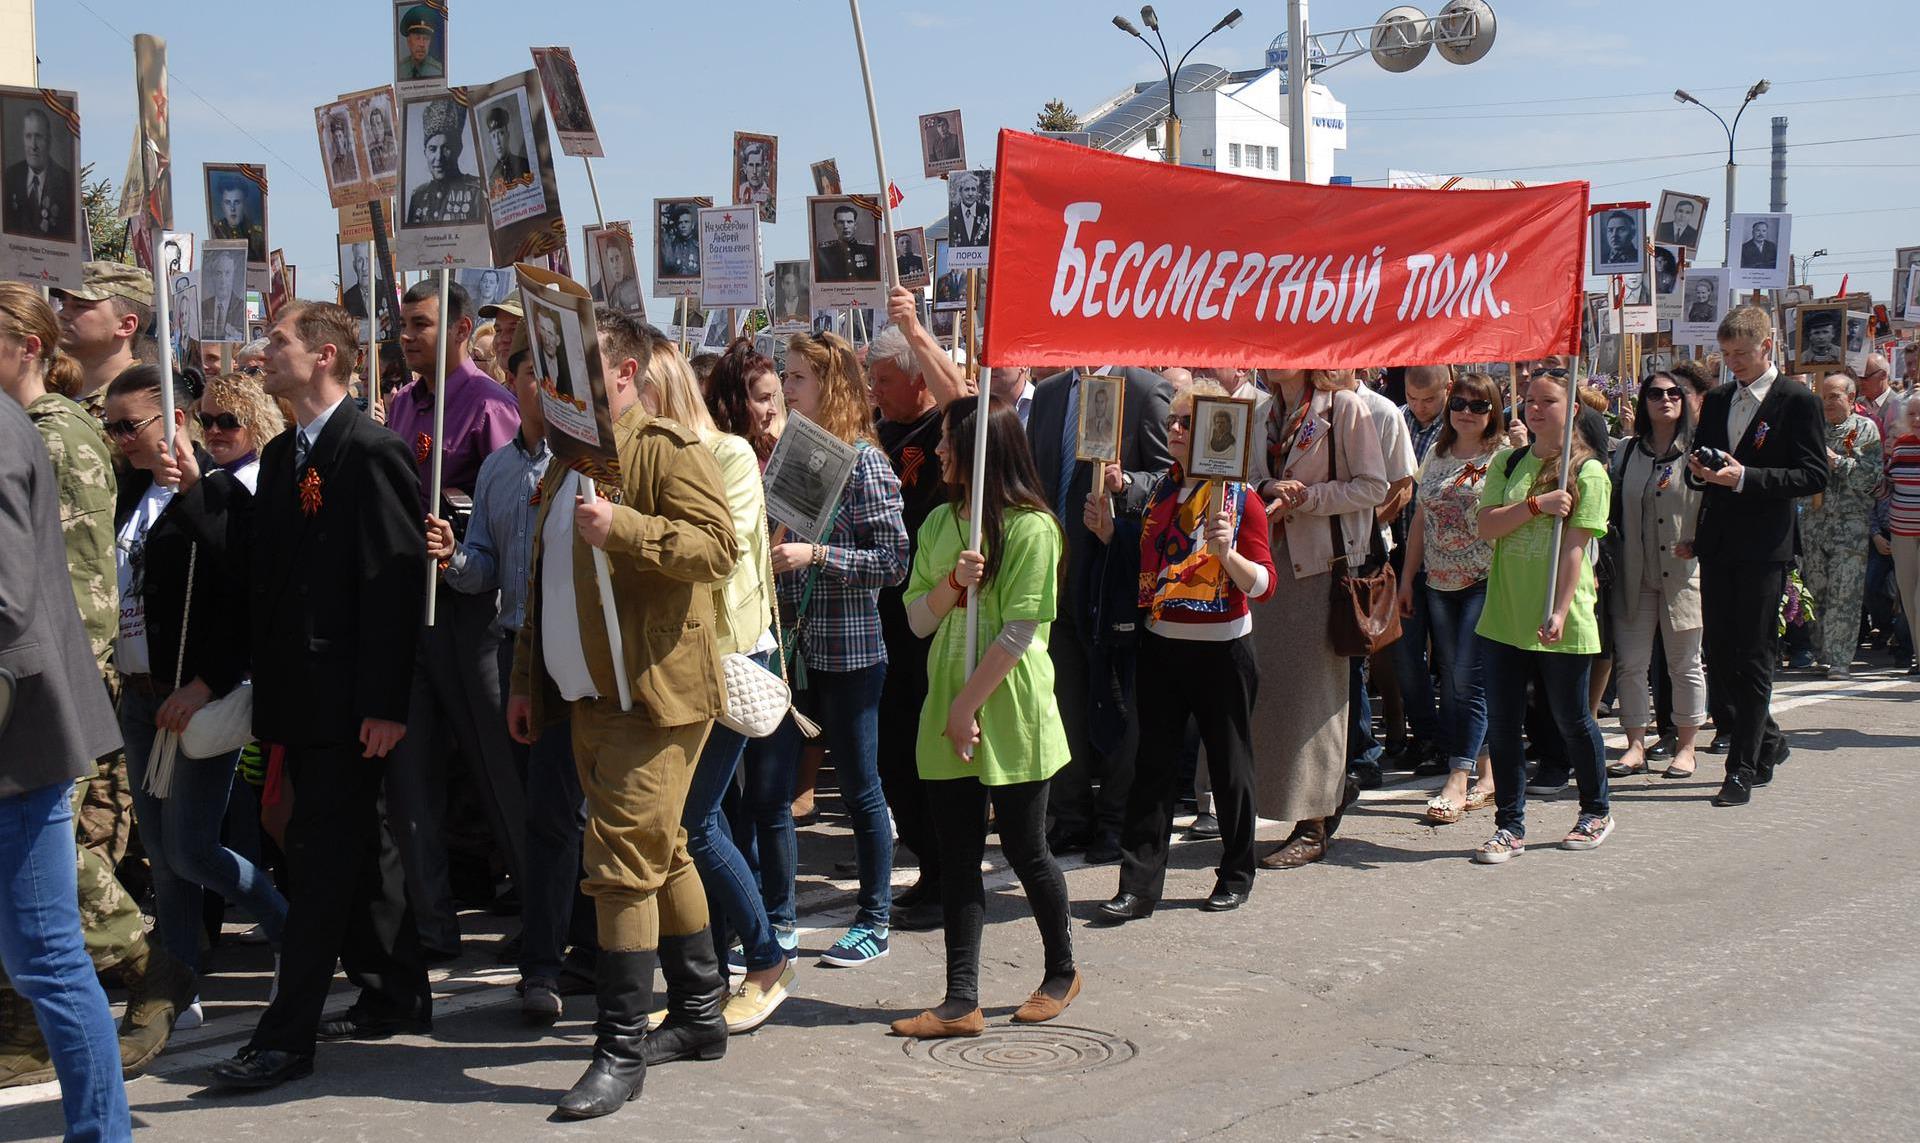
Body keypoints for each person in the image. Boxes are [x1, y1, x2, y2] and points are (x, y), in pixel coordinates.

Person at [507, 307, 738, 1119]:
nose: (556, 383)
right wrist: (528, 683)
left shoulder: (661, 449)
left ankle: (619, 1046)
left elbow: (717, 547)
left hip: (653, 694)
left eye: (575, 368)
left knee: (618, 868)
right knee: (662, 852)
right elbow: (544, 582)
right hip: (586, 697)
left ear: (625, 375)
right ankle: (703, 1012)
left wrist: (625, 528)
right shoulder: (563, 459)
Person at [209, 301, 429, 1091]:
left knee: (320, 859)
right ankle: (396, 992)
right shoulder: (278, 457)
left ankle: (285, 1036)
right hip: (294, 696)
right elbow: (266, 579)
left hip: (348, 700)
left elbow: (394, 584)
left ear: (326, 355)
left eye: (277, 340)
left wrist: (386, 703)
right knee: (360, 848)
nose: (261, 351)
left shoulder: (372, 451)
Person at [0, 285, 193, 1090]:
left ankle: (151, 962)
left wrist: (67, 682)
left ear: (28, 348)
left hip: (48, 676)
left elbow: (71, 582)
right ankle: (26, 1022)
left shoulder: (55, 436)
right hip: (44, 672)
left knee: (52, 857)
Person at [105, 364, 289, 1016]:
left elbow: (249, 600)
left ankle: (290, 929)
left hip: (196, 698)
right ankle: (177, 986)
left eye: (131, 425)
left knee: (192, 847)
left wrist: (205, 682)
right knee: (162, 852)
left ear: (172, 421)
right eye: (112, 426)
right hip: (140, 693)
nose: (120, 438)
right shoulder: (125, 489)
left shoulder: (221, 495)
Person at [893, 399, 1079, 1038]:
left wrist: (966, 707)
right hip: (948, 704)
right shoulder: (943, 522)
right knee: (959, 853)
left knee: (1028, 850)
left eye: (948, 441)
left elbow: (1022, 631)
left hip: (1009, 705)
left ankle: (1061, 970)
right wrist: (952, 584)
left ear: (979, 450)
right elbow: (917, 620)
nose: (939, 452)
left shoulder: (1033, 528)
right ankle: (960, 999)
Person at [427, 324, 585, 1023]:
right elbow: (484, 569)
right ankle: (549, 932)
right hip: (519, 649)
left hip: (580, 654)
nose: (540, 386)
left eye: (552, 374)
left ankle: (583, 938)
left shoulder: (586, 464)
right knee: (534, 803)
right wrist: (452, 558)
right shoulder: (495, 471)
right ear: (515, 383)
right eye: (529, 373)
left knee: (579, 806)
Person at [1093, 379, 1276, 922]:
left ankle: (1237, 872)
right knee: (1152, 769)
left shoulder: (1241, 499)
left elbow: (1264, 583)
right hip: (1162, 644)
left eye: (1186, 424)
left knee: (1230, 766)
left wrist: (1227, 554)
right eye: (1172, 422)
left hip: (1222, 651)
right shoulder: (1160, 492)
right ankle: (1138, 885)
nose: (1173, 431)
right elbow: (1148, 560)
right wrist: (1108, 531)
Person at [0, 383, 129, 1140]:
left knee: (47, 960)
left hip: (17, 737)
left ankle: (102, 1133)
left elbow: (8, 596)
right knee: (42, 960)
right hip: (26, 728)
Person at [383, 279, 524, 959]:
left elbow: (509, 507)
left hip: (471, 612)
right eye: (404, 325)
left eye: (422, 324)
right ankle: (434, 925)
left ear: (463, 329)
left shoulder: (489, 406)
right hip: (411, 609)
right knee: (411, 777)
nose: (408, 336)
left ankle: (539, 912)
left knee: (497, 770)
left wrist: (459, 533)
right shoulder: (400, 406)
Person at [759, 332, 908, 968]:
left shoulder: (866, 461)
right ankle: (779, 920)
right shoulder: (792, 452)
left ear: (830, 386)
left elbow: (894, 560)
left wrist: (817, 554)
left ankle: (873, 917)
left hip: (849, 652)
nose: (786, 389)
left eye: (795, 378)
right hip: (793, 647)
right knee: (771, 792)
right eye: (785, 376)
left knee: (859, 787)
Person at [1026, 364, 1172, 862]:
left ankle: (1116, 820)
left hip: (1112, 572)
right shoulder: (1047, 394)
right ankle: (1071, 817)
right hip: (1056, 572)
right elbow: (1033, 478)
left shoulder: (1145, 390)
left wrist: (1125, 482)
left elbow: (1169, 479)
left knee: (1116, 701)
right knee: (1063, 696)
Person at [1683, 306, 1828, 807]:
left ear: (1768, 345)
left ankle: (1742, 765)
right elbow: (1699, 459)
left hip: (1766, 546)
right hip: (1719, 541)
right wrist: (1699, 470)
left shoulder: (1797, 400)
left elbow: (1812, 475)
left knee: (1755, 653)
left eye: (1742, 354)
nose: (1734, 363)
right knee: (1721, 654)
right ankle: (1767, 738)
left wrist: (1746, 477)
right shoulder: (1720, 398)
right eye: (1726, 355)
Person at [1469, 368, 1614, 863]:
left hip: (1561, 618)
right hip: (1504, 615)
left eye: (1546, 401)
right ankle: (1509, 825)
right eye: (1528, 400)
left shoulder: (1589, 472)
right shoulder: (1508, 464)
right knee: (1505, 724)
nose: (1533, 409)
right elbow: (1487, 526)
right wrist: (1536, 505)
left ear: (1570, 407)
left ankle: (1595, 810)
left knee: (1572, 718)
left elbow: (1576, 548)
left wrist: (1557, 610)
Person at [1251, 370, 1388, 867]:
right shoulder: (1265, 413)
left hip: (1322, 566)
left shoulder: (1344, 407)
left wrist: (1309, 498)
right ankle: (1301, 804)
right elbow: (1247, 478)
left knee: (1317, 699)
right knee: (1279, 695)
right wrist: (1268, 484)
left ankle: (1313, 825)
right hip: (1271, 563)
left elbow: (1374, 486)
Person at [865, 305, 968, 930]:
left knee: (929, 749)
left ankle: (949, 877)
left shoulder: (948, 430)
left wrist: (915, 332)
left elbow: (965, 400)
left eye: (883, 379)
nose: (873, 391)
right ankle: (929, 862)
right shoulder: (878, 434)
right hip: (886, 612)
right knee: (893, 751)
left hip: (937, 609)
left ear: (918, 380)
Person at [1395, 372, 1502, 823]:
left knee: (1466, 679)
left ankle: (1458, 778)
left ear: (1493, 411)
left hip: (1485, 579)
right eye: (1460, 403)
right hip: (1438, 582)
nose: (1466, 412)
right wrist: (1406, 579)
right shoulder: (1436, 455)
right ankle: (1487, 770)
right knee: (1456, 682)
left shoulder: (1505, 457)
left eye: (1478, 406)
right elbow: (1419, 519)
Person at [1606, 372, 1707, 781]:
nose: (1665, 400)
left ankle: (1686, 746)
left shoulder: (1699, 451)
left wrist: (1700, 543)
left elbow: (1714, 507)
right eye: (1655, 394)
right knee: (1631, 664)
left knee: (1685, 664)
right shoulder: (1628, 451)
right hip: (1635, 572)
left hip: (1683, 574)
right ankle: (1634, 743)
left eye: (1673, 393)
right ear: (1644, 402)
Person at [1801, 373, 1882, 680]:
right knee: (1817, 589)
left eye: (1835, 396)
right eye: (1824, 396)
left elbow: (1871, 478)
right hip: (1814, 522)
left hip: (1850, 526)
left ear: (1851, 399)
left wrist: (1838, 462)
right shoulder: (1812, 429)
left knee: (1844, 593)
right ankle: (1822, 652)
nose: (1828, 403)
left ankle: (1840, 660)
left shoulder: (1865, 430)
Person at [53, 262, 153, 422]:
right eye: (64, 304)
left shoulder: (151, 401)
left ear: (126, 325)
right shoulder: (49, 391)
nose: (63, 314)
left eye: (80, 306)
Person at [1882, 393, 1920, 674]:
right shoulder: (1902, 447)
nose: (1917, 420)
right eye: (1912, 415)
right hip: (1902, 532)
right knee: (1908, 599)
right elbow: (1887, 487)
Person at [704, 338, 782, 467]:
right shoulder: (703, 455)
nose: (774, 410)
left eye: (773, 396)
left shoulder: (775, 453)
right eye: (763, 399)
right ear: (736, 400)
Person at [406, 99, 484, 225]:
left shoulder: (476, 192)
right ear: (425, 152)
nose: (439, 157)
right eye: (432, 149)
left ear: (458, 149)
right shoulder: (418, 197)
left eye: (446, 148)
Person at [3, 105, 74, 241]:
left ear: (49, 140)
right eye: (28, 136)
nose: (33, 145)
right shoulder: (10, 177)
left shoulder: (66, 182)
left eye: (39, 136)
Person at [814, 203, 877, 283]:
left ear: (855, 225)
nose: (845, 226)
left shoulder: (869, 249)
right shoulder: (823, 252)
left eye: (849, 222)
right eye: (841, 222)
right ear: (835, 225)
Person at [210, 183, 265, 264]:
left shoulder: (257, 234)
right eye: (228, 203)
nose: (232, 208)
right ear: (222, 206)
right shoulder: (216, 230)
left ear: (244, 204)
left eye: (237, 202)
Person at [485, 104, 531, 187]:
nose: (497, 141)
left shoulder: (525, 165)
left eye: (501, 133)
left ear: (508, 135)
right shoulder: (492, 179)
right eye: (493, 136)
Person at [398, 5, 443, 79]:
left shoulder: (439, 71)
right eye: (417, 38)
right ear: (409, 41)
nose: (422, 44)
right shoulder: (399, 70)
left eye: (426, 39)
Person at [602, 237, 642, 314]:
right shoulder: (611, 298)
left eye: (617, 258)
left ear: (622, 260)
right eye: (611, 260)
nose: (615, 265)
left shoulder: (635, 285)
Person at [949, 171, 989, 247]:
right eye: (967, 189)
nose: (970, 193)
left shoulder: (985, 211)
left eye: (973, 189)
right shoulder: (952, 214)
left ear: (977, 192)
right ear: (960, 192)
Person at [661, 205, 700, 278]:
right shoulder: (671, 247)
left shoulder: (699, 248)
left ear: (692, 225)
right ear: (676, 226)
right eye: (680, 222)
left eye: (686, 222)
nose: (683, 225)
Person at [365, 102, 398, 175]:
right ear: (371, 129)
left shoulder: (394, 144)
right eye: (373, 125)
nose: (376, 128)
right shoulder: (369, 151)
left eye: (379, 123)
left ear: (383, 124)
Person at [327, 112, 358, 185]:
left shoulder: (354, 159)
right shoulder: (333, 166)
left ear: (344, 137)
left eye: (340, 136)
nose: (338, 141)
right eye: (336, 137)